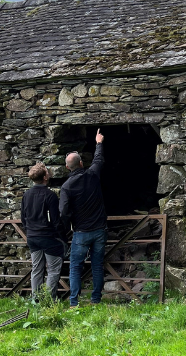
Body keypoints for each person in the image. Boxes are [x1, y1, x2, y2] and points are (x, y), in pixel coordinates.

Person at [60, 128, 107, 307]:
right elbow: (98, 160)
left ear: (67, 167)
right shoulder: (92, 174)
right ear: (81, 164)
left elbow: (63, 212)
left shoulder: (66, 187)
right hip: (100, 229)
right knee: (97, 265)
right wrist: (99, 143)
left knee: (75, 267)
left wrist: (64, 230)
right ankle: (95, 299)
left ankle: (74, 302)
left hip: (80, 231)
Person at [21, 162, 66, 300]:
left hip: (32, 237)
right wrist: (63, 238)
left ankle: (36, 300)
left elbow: (23, 218)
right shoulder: (50, 195)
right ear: (45, 177)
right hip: (48, 237)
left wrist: (29, 231)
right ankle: (48, 300)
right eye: (47, 171)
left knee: (37, 269)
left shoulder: (26, 195)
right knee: (53, 270)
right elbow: (56, 221)